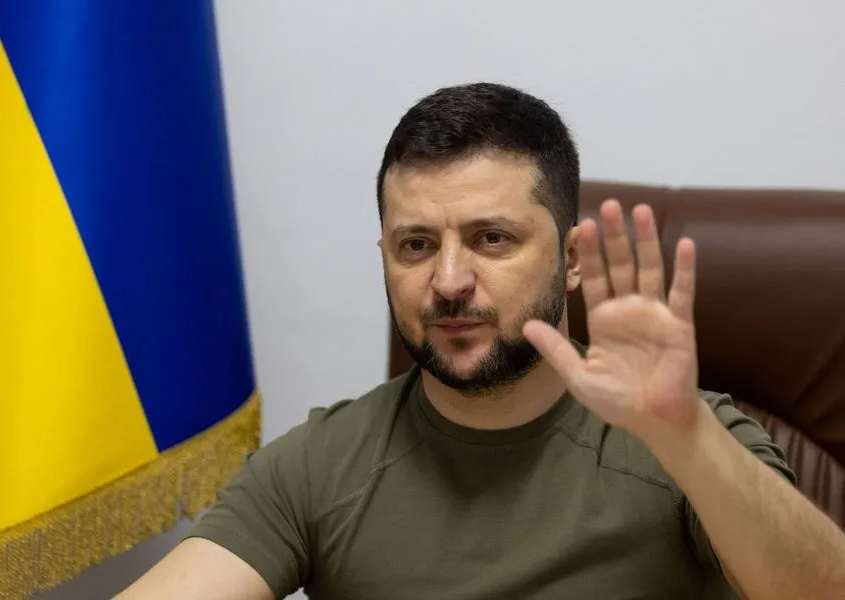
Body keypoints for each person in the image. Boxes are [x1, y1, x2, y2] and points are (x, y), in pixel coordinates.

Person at [117, 82, 845, 600]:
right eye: (415, 245)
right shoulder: (318, 465)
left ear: (571, 259)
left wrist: (685, 439)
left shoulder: (693, 435)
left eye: (492, 238)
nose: (448, 280)